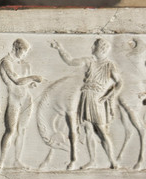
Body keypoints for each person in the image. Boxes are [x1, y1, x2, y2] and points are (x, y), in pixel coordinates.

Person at [51, 38, 122, 169]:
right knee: (88, 129)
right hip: (86, 96)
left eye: (94, 46)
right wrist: (60, 48)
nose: (91, 48)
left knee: (102, 130)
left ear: (101, 49)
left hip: (98, 98)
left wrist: (109, 95)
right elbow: (70, 61)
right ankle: (93, 161)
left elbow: (119, 83)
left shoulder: (109, 65)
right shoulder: (89, 61)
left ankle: (113, 161)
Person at [0, 38, 43, 172]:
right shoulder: (6, 62)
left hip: (26, 99)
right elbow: (16, 80)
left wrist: (32, 83)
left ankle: (16, 160)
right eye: (24, 51)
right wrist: (33, 78)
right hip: (13, 100)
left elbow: (27, 84)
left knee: (22, 130)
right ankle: (0, 163)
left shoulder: (25, 64)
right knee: (11, 131)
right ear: (16, 48)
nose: (25, 54)